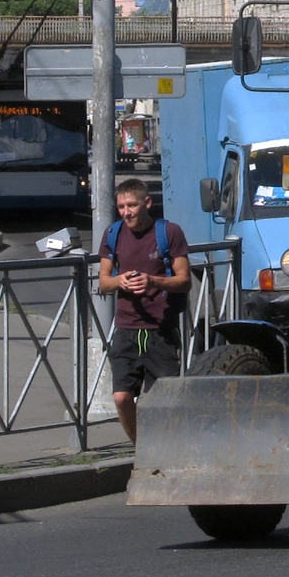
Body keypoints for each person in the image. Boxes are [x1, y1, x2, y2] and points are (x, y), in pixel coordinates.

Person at [98, 178, 191, 444]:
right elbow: (104, 281)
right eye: (121, 206)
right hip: (126, 328)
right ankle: (141, 446)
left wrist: (153, 281)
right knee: (122, 397)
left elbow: (184, 280)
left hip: (161, 330)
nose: (126, 212)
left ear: (147, 203)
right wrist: (120, 280)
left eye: (132, 205)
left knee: (161, 400)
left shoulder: (169, 233)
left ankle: (164, 447)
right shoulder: (112, 234)